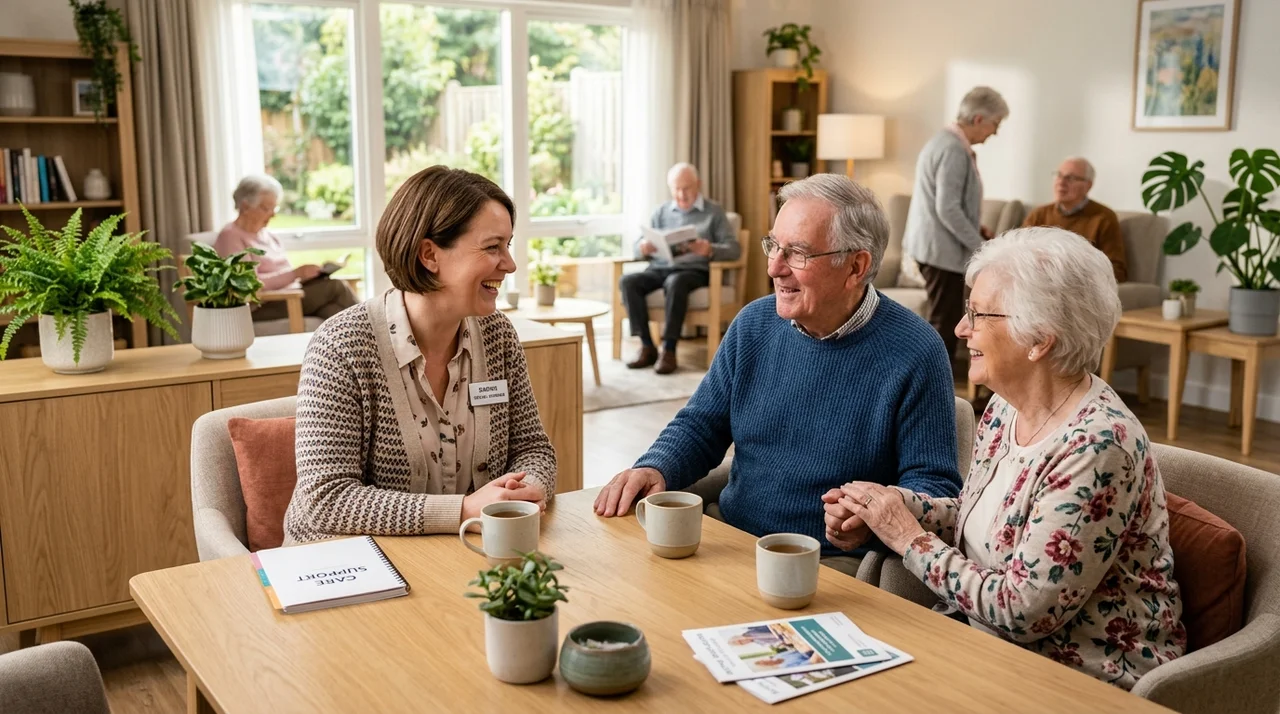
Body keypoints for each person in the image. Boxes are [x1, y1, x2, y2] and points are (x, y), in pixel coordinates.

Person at [824, 227, 1185, 690]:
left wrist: (907, 536)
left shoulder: (1098, 447)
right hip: (982, 643)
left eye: (977, 313)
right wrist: (887, 506)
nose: (960, 327)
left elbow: (1022, 612)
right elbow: (987, 519)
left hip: (1077, 676)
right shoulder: (1006, 406)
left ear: (1039, 339)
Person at [595, 174, 963, 573]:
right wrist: (656, 466)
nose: (773, 267)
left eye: (798, 253)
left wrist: (867, 522)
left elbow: (932, 490)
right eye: (774, 246)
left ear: (856, 266)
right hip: (731, 538)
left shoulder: (916, 350)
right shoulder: (753, 323)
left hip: (826, 562)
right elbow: (702, 424)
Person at [283, 166, 556, 543]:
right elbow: (325, 500)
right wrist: (462, 510)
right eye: (493, 247)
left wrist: (529, 487)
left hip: (462, 551)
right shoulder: (342, 346)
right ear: (429, 254)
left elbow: (533, 448)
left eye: (508, 246)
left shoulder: (498, 336)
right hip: (348, 566)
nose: (509, 264)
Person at [902, 86, 1009, 364]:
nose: (995, 132)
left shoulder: (946, 143)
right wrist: (981, 248)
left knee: (944, 321)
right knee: (944, 325)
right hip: (940, 252)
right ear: (978, 119)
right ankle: (938, 394)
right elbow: (947, 208)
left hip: (936, 248)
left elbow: (952, 202)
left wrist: (978, 227)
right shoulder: (952, 149)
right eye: (995, 124)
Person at [619, 162, 740, 374]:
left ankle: (669, 349)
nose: (681, 194)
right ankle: (647, 346)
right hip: (660, 267)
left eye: (686, 188)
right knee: (628, 281)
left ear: (698, 185)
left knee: (675, 282)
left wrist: (709, 249)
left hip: (694, 272)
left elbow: (734, 249)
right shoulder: (661, 212)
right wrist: (643, 248)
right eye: (676, 188)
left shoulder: (714, 212)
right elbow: (638, 246)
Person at [214, 174, 359, 322]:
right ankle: (378, 331)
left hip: (292, 296)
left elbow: (285, 276)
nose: (273, 215)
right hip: (261, 305)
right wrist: (296, 273)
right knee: (335, 286)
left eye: (274, 208)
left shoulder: (269, 236)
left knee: (333, 311)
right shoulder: (231, 236)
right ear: (245, 206)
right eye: (266, 208)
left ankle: (371, 340)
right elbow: (248, 285)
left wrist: (307, 276)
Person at [1023, 157, 1128, 282]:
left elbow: (1117, 270)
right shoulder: (1039, 214)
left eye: (1071, 178)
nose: (1061, 182)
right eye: (1059, 175)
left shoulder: (1103, 217)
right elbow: (1018, 255)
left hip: (1075, 285)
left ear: (1088, 185)